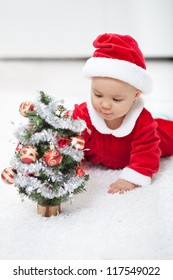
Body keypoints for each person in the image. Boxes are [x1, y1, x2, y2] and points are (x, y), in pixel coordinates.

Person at [72, 33, 173, 194]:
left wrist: (133, 177)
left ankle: (166, 118)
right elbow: (70, 141)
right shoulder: (83, 115)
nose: (104, 105)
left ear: (135, 95)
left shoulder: (143, 123)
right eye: (97, 95)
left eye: (117, 99)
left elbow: (147, 153)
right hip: (102, 154)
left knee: (167, 133)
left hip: (159, 134)